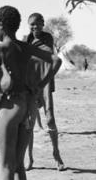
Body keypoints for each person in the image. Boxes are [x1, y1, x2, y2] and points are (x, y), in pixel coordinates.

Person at [0, 6, 62, 180]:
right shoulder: (25, 47)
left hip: (10, 107)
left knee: (6, 167)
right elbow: (55, 60)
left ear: (0, 24)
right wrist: (40, 85)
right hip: (28, 106)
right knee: (19, 166)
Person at [22, 12, 66, 171]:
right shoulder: (27, 40)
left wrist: (46, 80)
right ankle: (30, 158)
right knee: (29, 122)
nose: (35, 27)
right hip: (32, 81)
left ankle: (56, 154)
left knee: (50, 119)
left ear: (43, 24)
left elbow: (51, 59)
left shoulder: (47, 38)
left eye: (38, 23)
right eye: (32, 24)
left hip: (45, 81)